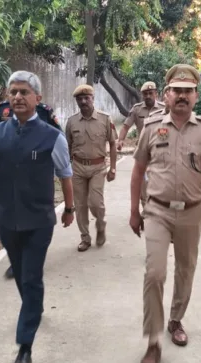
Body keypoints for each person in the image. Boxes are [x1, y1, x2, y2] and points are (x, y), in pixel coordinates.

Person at [0, 71, 75, 363]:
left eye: (24, 92)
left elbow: (65, 174)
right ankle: (34, 308)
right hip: (8, 222)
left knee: (31, 278)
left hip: (39, 222)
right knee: (23, 278)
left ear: (38, 98)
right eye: (13, 92)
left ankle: (25, 348)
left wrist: (70, 208)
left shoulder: (52, 136)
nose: (18, 97)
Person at [129, 64, 201, 363]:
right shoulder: (151, 127)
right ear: (167, 94)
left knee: (185, 270)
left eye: (188, 91)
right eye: (177, 91)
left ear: (196, 95)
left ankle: (175, 320)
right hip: (157, 210)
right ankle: (153, 340)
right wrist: (133, 210)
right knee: (154, 273)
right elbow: (138, 169)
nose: (182, 96)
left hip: (191, 212)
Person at [0, 91, 63, 280]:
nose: (19, 96)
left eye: (24, 90)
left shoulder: (44, 111)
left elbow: (58, 137)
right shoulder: (3, 109)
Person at [66, 84, 117, 252]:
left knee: (95, 203)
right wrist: (66, 168)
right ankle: (85, 238)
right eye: (79, 99)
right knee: (80, 205)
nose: (83, 101)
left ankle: (101, 224)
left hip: (98, 167)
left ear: (93, 99)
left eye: (86, 98)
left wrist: (113, 168)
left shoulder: (105, 119)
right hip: (78, 168)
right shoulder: (72, 121)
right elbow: (67, 146)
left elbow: (112, 143)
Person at [116, 82, 166, 214]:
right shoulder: (136, 109)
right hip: (143, 153)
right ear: (142, 95)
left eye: (150, 93)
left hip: (160, 152)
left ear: (156, 94)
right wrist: (120, 140)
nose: (148, 96)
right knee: (143, 184)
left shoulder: (165, 109)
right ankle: (147, 211)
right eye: (145, 94)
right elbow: (126, 126)